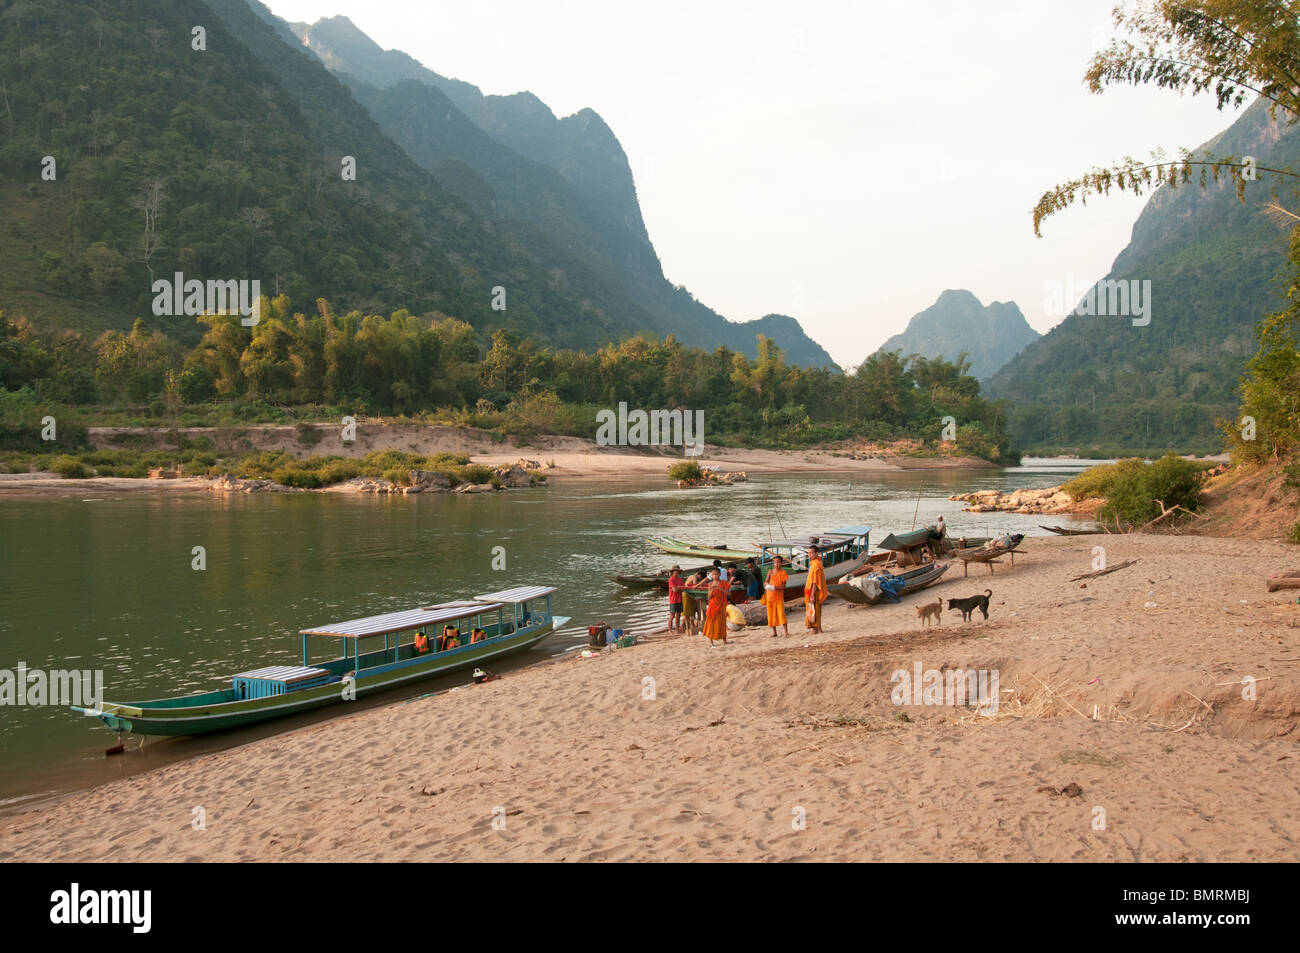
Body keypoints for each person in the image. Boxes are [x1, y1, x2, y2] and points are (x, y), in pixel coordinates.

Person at [764, 555, 790, 638]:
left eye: (778, 562)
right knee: (771, 614)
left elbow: (783, 586)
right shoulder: (770, 572)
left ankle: (786, 632)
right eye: (775, 562)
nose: (776, 564)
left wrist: (775, 587)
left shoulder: (783, 573)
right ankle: (774, 632)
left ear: (781, 563)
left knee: (781, 613)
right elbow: (765, 581)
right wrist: (767, 585)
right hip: (770, 596)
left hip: (778, 597)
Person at [804, 545, 828, 634]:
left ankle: (815, 629)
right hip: (810, 590)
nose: (809, 555)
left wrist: (812, 595)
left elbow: (815, 582)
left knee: (814, 610)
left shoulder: (816, 565)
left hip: (814, 591)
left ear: (816, 553)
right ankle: (818, 628)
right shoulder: (815, 563)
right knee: (816, 609)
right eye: (808, 553)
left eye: (811, 553)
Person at [702, 568, 730, 644]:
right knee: (711, 623)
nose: (715, 576)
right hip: (712, 605)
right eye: (713, 574)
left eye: (716, 574)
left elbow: (729, 594)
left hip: (721, 605)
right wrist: (712, 590)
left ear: (720, 574)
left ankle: (724, 640)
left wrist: (719, 588)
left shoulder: (724, 583)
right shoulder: (710, 584)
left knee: (722, 623)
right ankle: (711, 641)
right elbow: (708, 597)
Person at [667, 566, 686, 633]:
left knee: (678, 615)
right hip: (673, 599)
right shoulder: (671, 579)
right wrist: (680, 588)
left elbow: (683, 588)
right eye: (675, 571)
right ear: (672, 572)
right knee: (672, 615)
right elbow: (674, 590)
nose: (677, 572)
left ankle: (677, 629)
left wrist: (679, 588)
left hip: (680, 599)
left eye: (678, 571)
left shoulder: (680, 579)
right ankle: (670, 630)